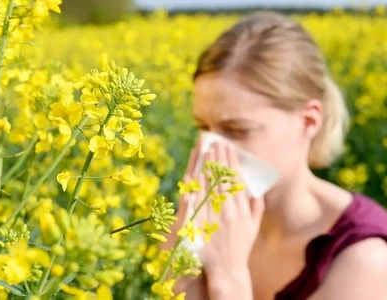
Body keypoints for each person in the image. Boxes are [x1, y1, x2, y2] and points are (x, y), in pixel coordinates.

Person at [161, 11, 387, 300]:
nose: (211, 149)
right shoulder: (215, 222)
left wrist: (228, 280)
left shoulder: (363, 257)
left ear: (308, 121)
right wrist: (183, 271)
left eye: (237, 130)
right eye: (203, 127)